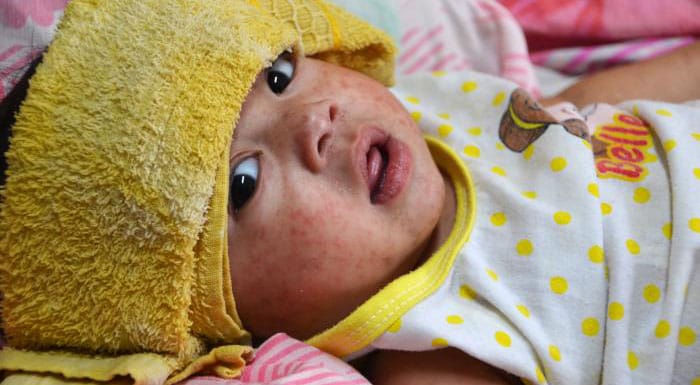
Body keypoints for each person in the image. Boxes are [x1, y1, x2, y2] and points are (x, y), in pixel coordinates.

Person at [0, 1, 698, 385]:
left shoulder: (425, 112)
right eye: (244, 181)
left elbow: (583, 112)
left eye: (277, 74)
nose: (313, 120)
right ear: (224, 315)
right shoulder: (444, 348)